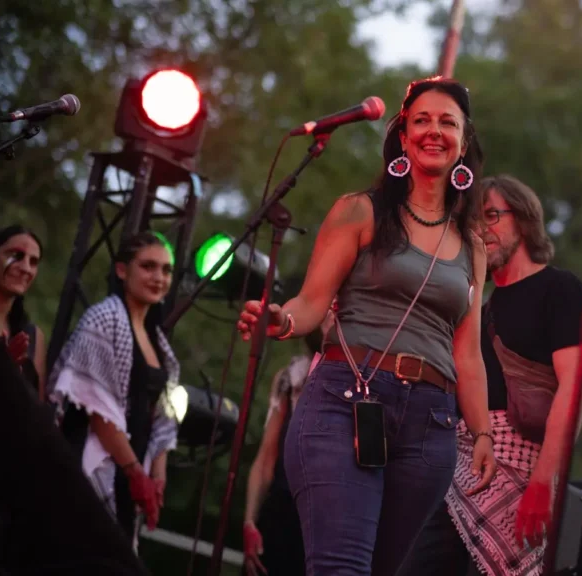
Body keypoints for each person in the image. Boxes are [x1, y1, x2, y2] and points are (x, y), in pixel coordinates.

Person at [237, 76, 496, 576]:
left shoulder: (473, 245)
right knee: (341, 569)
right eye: (421, 120)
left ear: (464, 142)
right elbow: (313, 303)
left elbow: (468, 354)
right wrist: (283, 319)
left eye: (448, 123)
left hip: (431, 423)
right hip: (345, 403)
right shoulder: (360, 210)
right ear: (402, 137)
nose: (434, 131)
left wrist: (482, 433)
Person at [400, 174, 582, 576]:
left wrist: (544, 482)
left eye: (491, 216)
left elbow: (576, 389)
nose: (480, 231)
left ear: (523, 220)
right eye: (472, 221)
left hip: (524, 475)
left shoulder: (560, 288)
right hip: (461, 471)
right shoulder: (480, 308)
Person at [49, 231, 180, 548]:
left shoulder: (160, 344)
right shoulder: (103, 318)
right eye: (148, 266)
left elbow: (163, 418)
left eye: (166, 270)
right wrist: (136, 474)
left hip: (131, 473)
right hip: (88, 464)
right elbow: (98, 411)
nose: (158, 277)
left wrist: (157, 480)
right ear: (122, 271)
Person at [242, 318, 333, 576]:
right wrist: (250, 521)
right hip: (281, 511)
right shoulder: (290, 378)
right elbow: (266, 458)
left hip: (325, 520)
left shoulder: (362, 384)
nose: (329, 316)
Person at [0, 225, 46, 400]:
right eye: (16, 256)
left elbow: (36, 412)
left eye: (33, 262)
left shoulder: (32, 336)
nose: (26, 268)